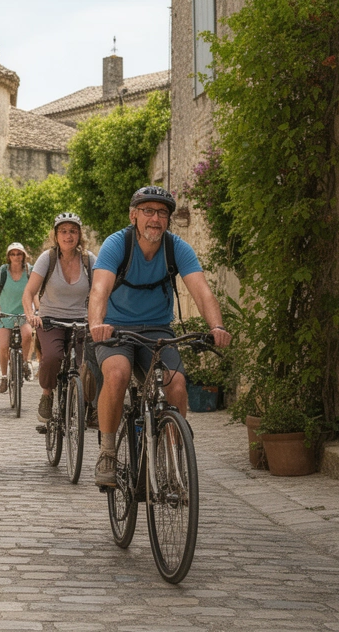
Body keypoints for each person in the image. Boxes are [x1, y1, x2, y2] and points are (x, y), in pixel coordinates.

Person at [87, 186, 232, 488]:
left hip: (157, 330)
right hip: (115, 329)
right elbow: (100, 289)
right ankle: (108, 452)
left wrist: (217, 326)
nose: (155, 218)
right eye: (148, 211)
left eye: (162, 213)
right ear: (134, 215)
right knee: (117, 373)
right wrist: (97, 324)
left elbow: (202, 291)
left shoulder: (176, 248)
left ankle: (172, 459)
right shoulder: (117, 244)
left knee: (176, 383)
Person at [23, 213, 95, 426]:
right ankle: (47, 394)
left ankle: (89, 405)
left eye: (73, 231)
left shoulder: (89, 260)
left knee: (88, 364)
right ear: (55, 236)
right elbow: (29, 292)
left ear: (79, 235)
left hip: (81, 321)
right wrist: (31, 315)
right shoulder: (48, 258)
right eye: (63, 231)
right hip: (50, 320)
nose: (68, 236)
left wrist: (99, 318)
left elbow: (101, 291)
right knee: (52, 357)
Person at [0, 243, 34, 395]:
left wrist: (38, 310)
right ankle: (4, 377)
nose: (16, 257)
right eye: (12, 254)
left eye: (19, 254)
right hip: (5, 314)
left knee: (27, 335)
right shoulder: (2, 271)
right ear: (8, 257)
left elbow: (35, 292)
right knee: (3, 346)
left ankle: (26, 363)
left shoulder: (30, 271)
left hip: (24, 312)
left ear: (23, 256)